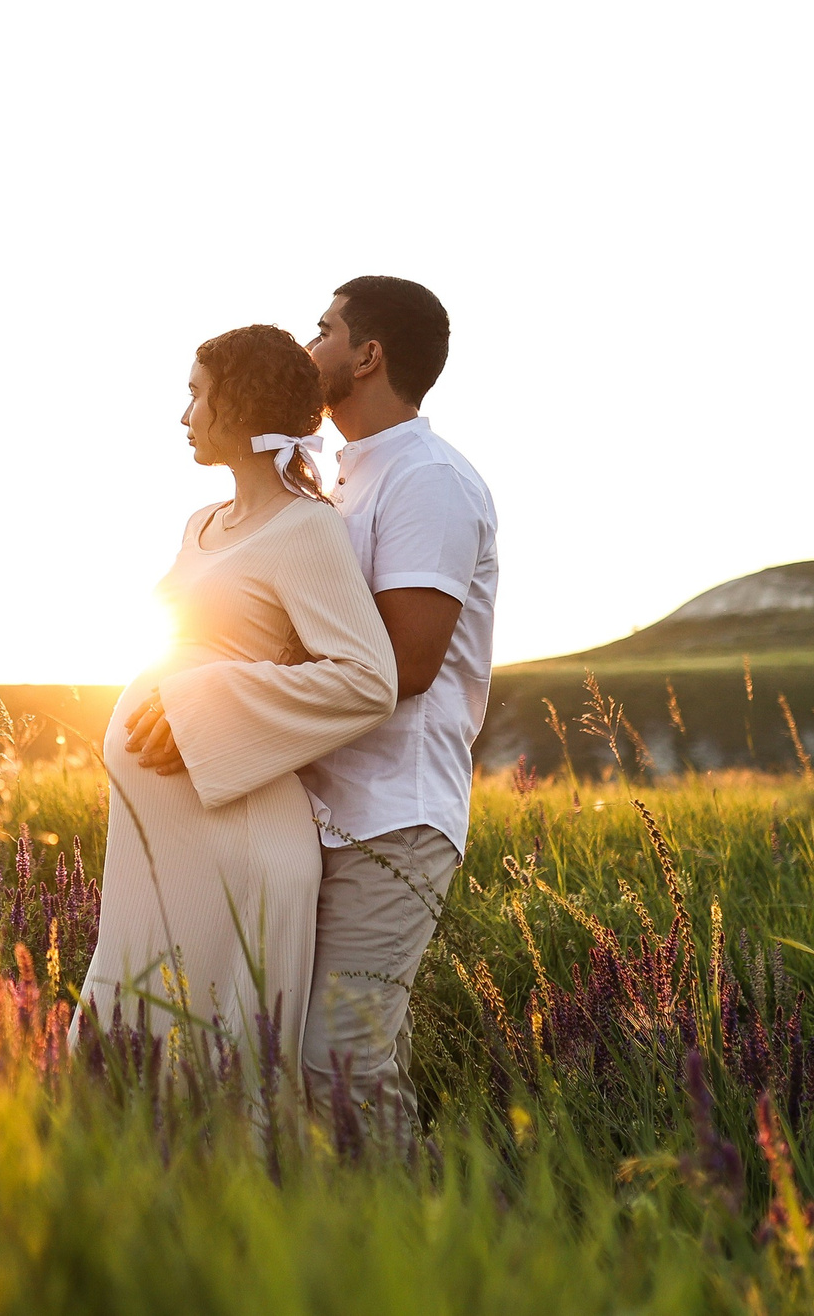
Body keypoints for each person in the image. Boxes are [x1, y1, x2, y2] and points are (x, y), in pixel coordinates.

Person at [77, 325, 399, 1067]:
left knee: (208, 1057)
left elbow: (367, 677)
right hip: (163, 835)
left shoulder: (308, 528)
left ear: (240, 402)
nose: (183, 414)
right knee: (127, 1043)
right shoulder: (201, 526)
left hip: (239, 836)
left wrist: (207, 699)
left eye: (195, 394)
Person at [298, 275, 498, 1142]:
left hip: (394, 815)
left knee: (334, 1062)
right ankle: (387, 1248)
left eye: (323, 329)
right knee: (351, 1058)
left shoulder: (427, 480)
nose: (309, 348)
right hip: (326, 810)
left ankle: (408, 1252)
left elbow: (406, 664)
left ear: (367, 354)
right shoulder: (348, 484)